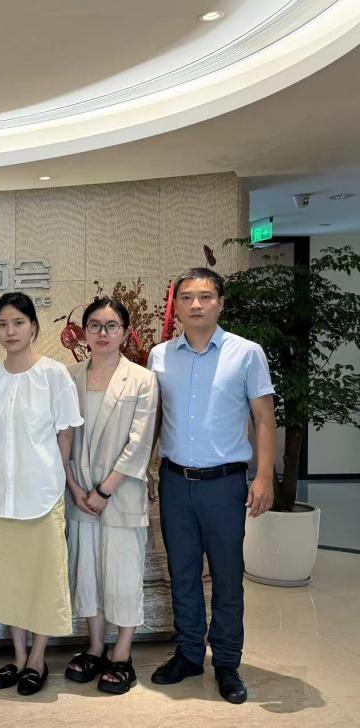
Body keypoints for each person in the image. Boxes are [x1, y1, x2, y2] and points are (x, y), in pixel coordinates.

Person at [148, 267, 276, 704]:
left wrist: (264, 476)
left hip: (225, 484)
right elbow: (155, 418)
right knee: (182, 573)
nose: (196, 305)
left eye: (205, 296)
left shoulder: (247, 353)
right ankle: (188, 654)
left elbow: (264, 417)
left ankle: (226, 661)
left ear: (220, 303)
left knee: (226, 576)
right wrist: (147, 468)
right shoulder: (160, 355)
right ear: (177, 306)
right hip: (175, 480)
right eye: (187, 297)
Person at [0, 292, 83, 697]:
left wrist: (56, 473)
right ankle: (17, 656)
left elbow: (66, 432)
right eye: (2, 324)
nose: (10, 331)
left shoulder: (54, 375)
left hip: (41, 493)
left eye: (18, 323)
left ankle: (38, 658)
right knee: (9, 578)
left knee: (42, 577)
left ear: (33, 326)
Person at [62, 297, 158, 694]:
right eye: (95, 326)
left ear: (125, 332)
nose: (103, 333)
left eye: (111, 325)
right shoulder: (68, 376)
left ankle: (122, 654)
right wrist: (75, 487)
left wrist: (105, 489)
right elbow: (61, 437)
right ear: (83, 332)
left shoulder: (141, 379)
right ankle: (95, 647)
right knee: (87, 572)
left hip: (120, 492)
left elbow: (140, 442)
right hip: (79, 492)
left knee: (122, 574)